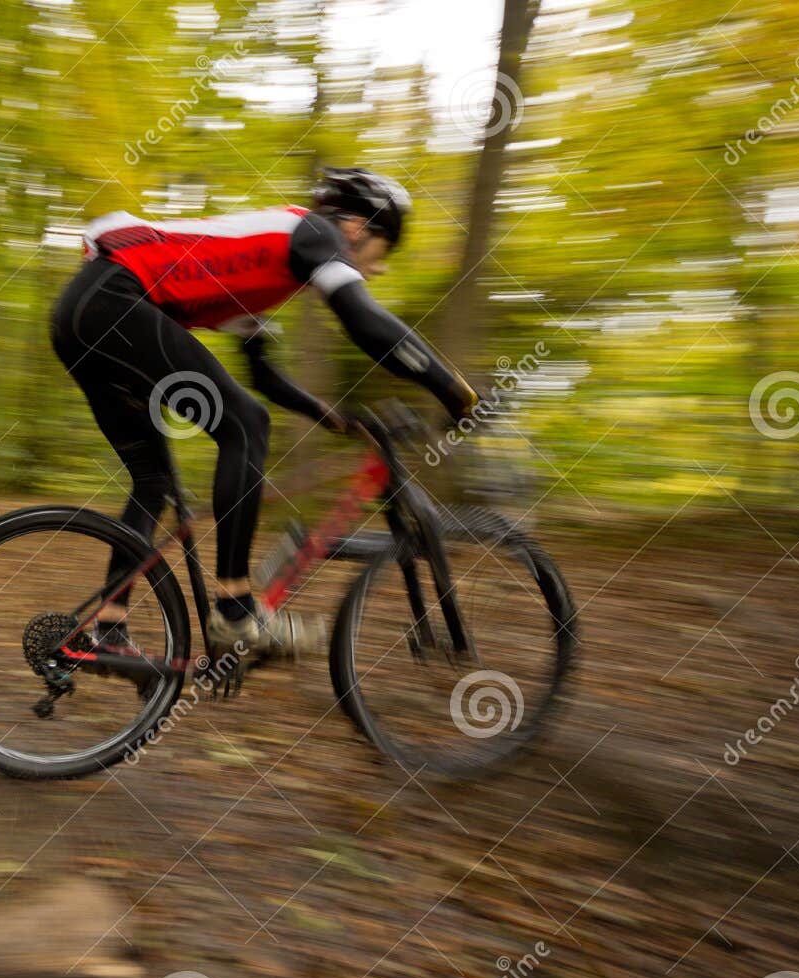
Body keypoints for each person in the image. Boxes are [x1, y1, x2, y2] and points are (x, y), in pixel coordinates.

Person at [49, 167, 478, 659]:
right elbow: (363, 319)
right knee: (247, 424)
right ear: (359, 227)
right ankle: (235, 612)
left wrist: (332, 417)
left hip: (81, 315)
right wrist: (453, 391)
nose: (377, 269)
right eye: (385, 251)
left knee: (154, 480)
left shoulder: (258, 266)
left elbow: (263, 377)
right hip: (113, 303)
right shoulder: (314, 232)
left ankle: (108, 628)